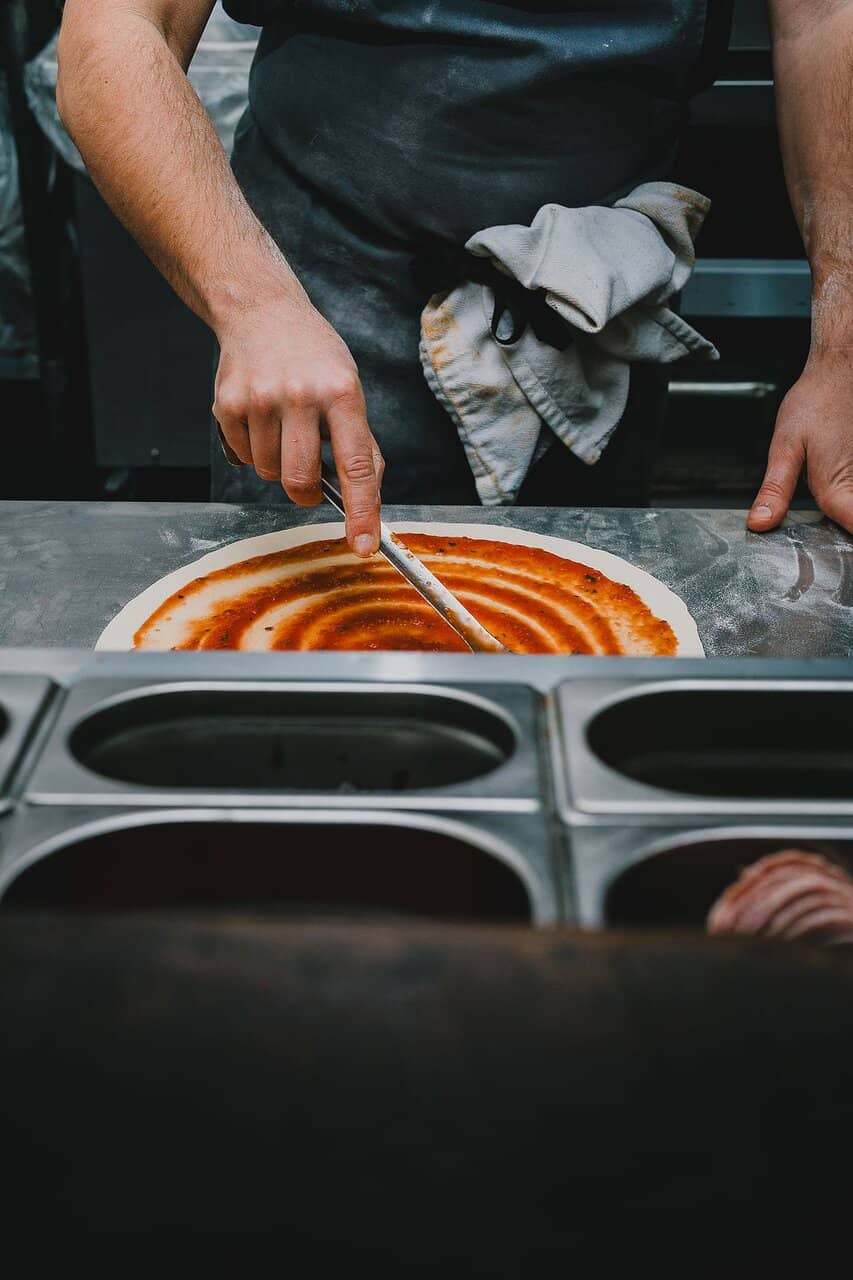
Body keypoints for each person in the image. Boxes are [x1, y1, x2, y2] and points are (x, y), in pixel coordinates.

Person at [55, 2, 853, 555]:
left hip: (590, 304)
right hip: (320, 309)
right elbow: (118, 31)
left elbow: (824, 19)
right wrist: (257, 307)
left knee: (578, 630)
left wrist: (843, 345)